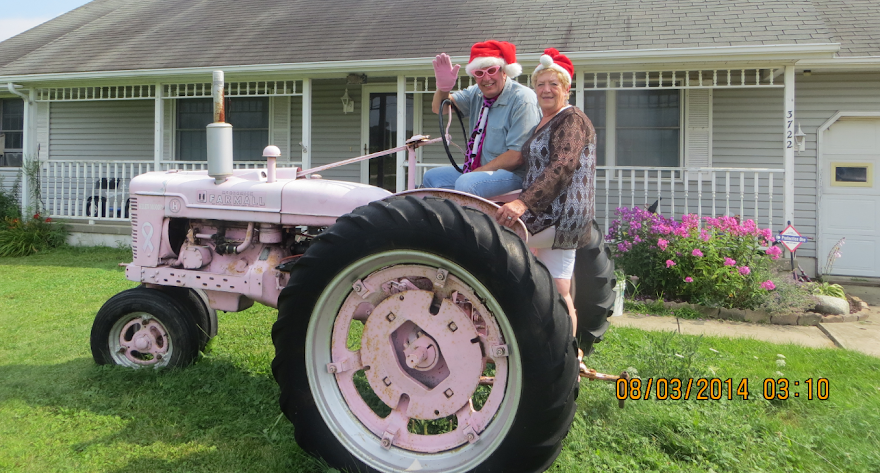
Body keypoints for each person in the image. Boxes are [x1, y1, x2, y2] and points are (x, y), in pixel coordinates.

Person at [494, 48, 596, 345]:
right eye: (540, 84)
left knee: (487, 236)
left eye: (554, 84)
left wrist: (522, 202)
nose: (546, 90)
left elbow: (562, 164)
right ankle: (567, 354)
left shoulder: (571, 119)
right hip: (560, 216)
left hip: (557, 213)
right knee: (560, 288)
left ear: (567, 88)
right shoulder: (545, 120)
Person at [423, 40, 540, 198]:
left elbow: (516, 156)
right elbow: (439, 108)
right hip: (479, 169)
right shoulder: (476, 93)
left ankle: (468, 223)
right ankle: (440, 221)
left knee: (467, 183)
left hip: (515, 176)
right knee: (431, 178)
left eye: (491, 70)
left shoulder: (523, 99)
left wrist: (476, 172)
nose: (486, 78)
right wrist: (443, 89)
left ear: (504, 71)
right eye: (479, 73)